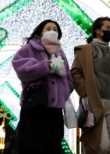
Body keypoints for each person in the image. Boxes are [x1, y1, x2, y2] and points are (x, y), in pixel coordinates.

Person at [71, 17, 110, 154]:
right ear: (98, 31)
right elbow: (75, 72)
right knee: (102, 145)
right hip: (95, 103)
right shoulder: (85, 51)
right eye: (107, 28)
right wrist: (86, 92)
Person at [12, 20, 74, 154]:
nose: (52, 31)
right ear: (41, 31)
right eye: (48, 28)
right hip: (36, 104)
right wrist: (45, 66)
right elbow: (20, 67)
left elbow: (68, 77)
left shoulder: (60, 52)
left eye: (55, 29)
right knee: (32, 145)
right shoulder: (29, 48)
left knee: (54, 145)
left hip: (55, 109)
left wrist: (64, 93)